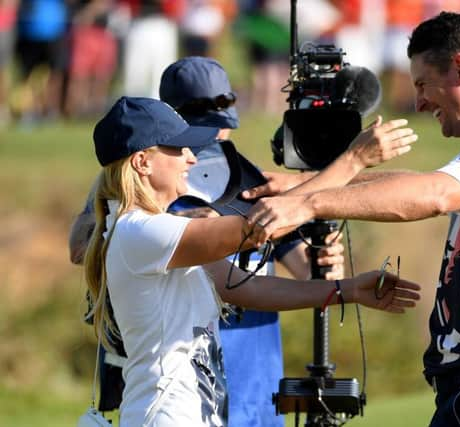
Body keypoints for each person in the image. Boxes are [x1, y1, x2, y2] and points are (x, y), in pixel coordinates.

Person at [243, 12, 460, 427]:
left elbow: (432, 194)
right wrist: (306, 183)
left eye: (422, 84)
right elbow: (424, 181)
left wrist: (307, 205)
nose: (418, 103)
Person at [83, 95, 420, 426]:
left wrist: (347, 290)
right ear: (142, 162)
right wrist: (352, 161)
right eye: (177, 149)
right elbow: (257, 229)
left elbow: (249, 288)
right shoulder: (141, 232)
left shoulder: (150, 233)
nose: (190, 159)